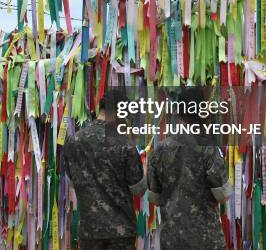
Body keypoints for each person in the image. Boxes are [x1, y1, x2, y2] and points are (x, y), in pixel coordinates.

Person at [147, 87, 231, 250]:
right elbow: (223, 195)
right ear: (201, 114)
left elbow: (154, 199)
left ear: (178, 114)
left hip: (172, 241)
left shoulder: (159, 151)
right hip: (207, 240)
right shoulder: (208, 149)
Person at [61, 89, 146, 250]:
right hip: (121, 233)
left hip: (89, 231)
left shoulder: (73, 142)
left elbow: (73, 182)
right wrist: (147, 170)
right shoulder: (124, 144)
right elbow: (139, 189)